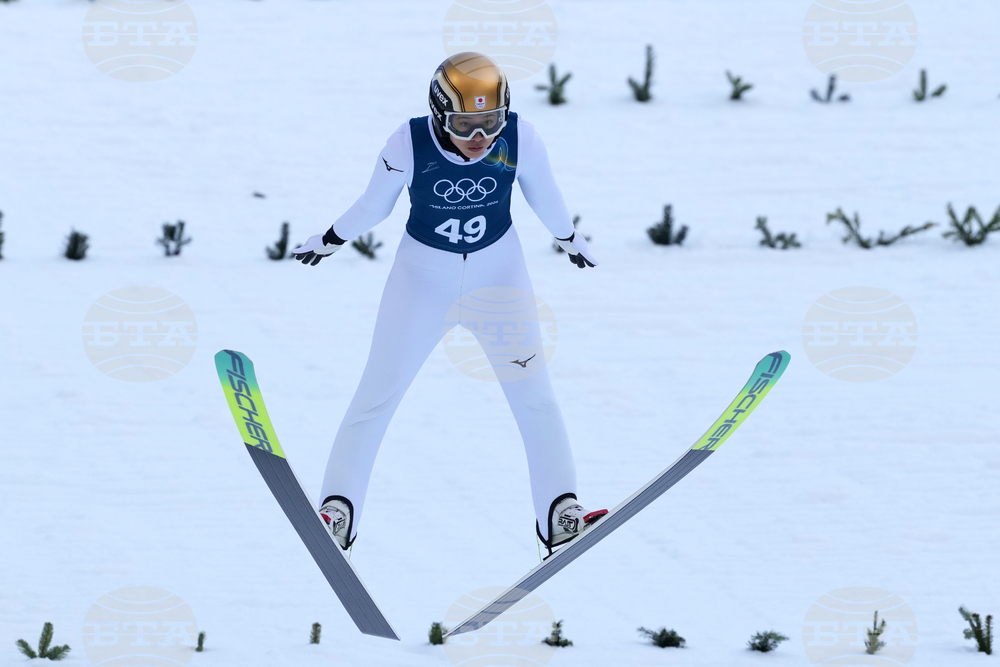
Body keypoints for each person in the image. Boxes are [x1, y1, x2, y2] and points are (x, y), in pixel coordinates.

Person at [291, 52, 605, 556]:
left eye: (490, 123)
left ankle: (560, 512)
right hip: (422, 282)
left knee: (536, 396)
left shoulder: (520, 137)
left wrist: (568, 237)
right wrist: (330, 238)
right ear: (439, 114)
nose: (480, 137)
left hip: (499, 279)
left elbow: (543, 192)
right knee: (376, 395)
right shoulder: (407, 142)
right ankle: (337, 510)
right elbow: (375, 204)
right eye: (465, 124)